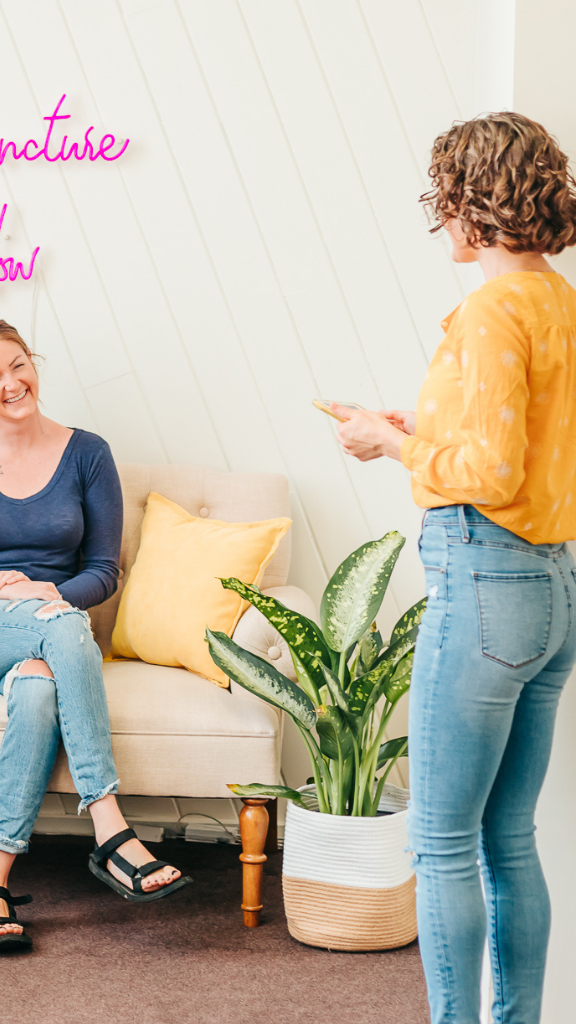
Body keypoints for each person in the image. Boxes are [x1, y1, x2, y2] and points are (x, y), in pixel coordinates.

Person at [327, 111, 576, 1023]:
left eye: (445, 202)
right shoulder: (561, 304)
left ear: (471, 202)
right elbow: (528, 452)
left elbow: (491, 476)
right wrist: (418, 432)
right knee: (509, 838)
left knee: (438, 843)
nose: (442, 222)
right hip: (554, 589)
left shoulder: (489, 311)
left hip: (483, 588)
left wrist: (385, 448)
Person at [0, 320, 190, 953]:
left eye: (19, 365)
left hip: (48, 632)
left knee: (39, 692)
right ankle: (111, 829)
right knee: (63, 625)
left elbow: (103, 572)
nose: (13, 383)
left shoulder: (87, 452)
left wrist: (49, 597)